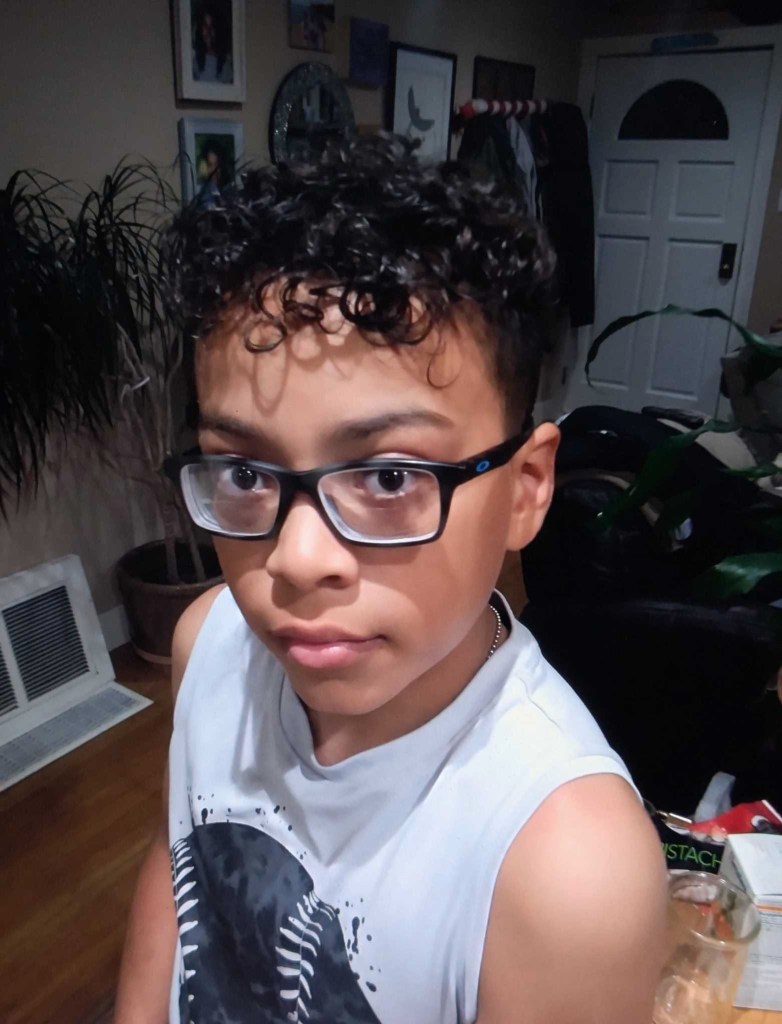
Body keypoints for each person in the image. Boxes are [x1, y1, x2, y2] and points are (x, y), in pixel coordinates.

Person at [114, 136, 667, 1024]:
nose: (297, 559)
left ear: (526, 490)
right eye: (247, 475)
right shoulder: (209, 639)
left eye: (387, 477)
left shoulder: (565, 868)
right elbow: (180, 868)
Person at [191, 1, 233, 84]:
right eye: (205, 26)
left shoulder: (227, 65)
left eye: (212, 27)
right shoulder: (193, 61)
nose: (208, 32)